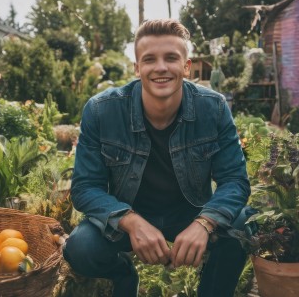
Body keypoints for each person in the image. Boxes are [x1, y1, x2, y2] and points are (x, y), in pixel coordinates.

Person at [63, 19, 252, 297]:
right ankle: (124, 277)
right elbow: (84, 187)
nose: (161, 67)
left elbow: (235, 181)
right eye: (149, 59)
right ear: (137, 68)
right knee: (80, 248)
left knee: (243, 225)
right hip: (126, 216)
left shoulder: (213, 107)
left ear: (186, 67)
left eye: (171, 58)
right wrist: (131, 221)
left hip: (191, 213)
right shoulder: (101, 111)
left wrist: (205, 223)